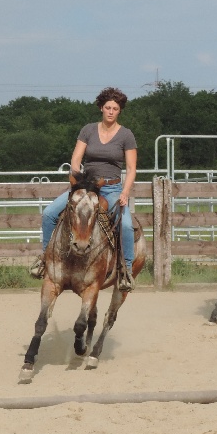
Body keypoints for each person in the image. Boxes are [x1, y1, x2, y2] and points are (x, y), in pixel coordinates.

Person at [30, 87, 138, 291]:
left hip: (111, 188)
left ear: (120, 111)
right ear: (101, 108)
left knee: (125, 225)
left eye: (115, 108)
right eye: (108, 107)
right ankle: (45, 259)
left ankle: (126, 270)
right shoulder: (88, 130)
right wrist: (78, 182)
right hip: (86, 186)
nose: (111, 112)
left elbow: (131, 168)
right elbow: (76, 159)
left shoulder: (126, 135)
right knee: (49, 213)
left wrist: (125, 193)